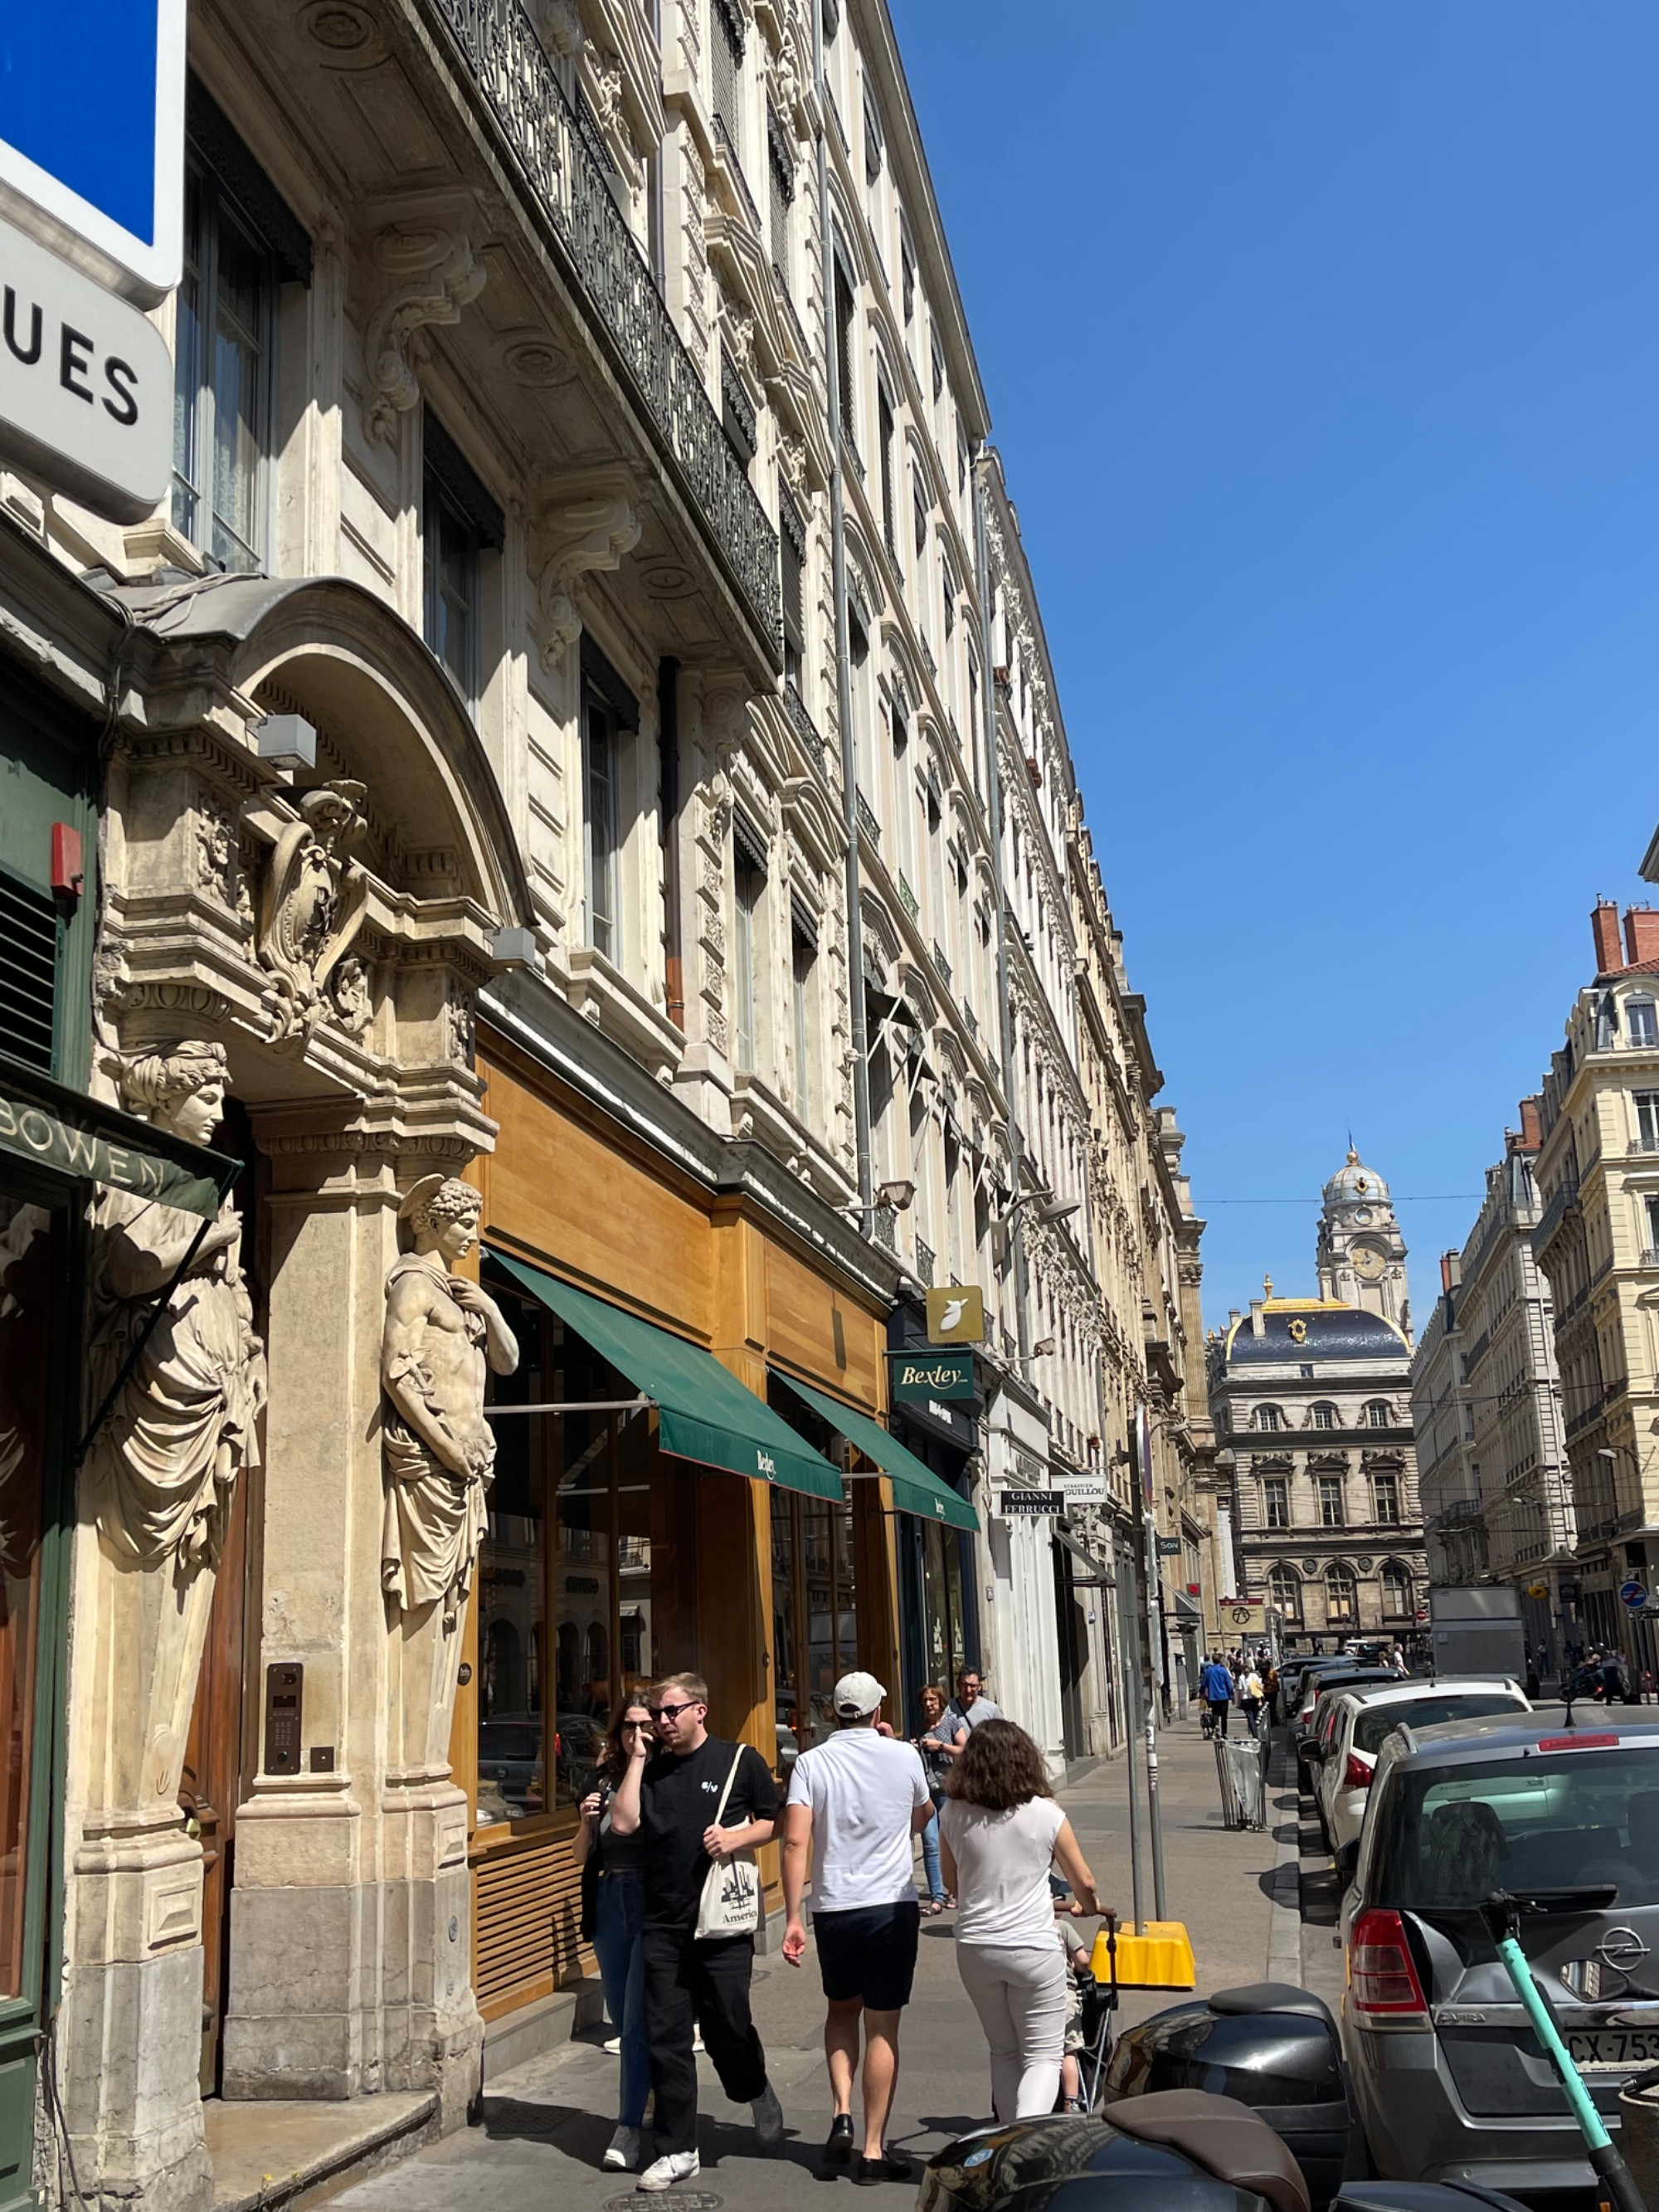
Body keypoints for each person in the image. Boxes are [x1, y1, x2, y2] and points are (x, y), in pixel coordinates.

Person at [609, 1670, 784, 2193]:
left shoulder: (738, 1760)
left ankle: (755, 2089)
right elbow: (622, 1824)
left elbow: (774, 1820)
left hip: (722, 1928)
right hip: (663, 1923)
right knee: (668, 2040)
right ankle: (679, 2148)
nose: (662, 1722)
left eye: (671, 1712)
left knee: (729, 2025)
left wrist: (734, 1836)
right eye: (657, 1715)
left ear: (699, 1711)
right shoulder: (652, 1769)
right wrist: (638, 1759)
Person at [781, 1671, 934, 2185]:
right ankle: (872, 2150)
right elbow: (923, 1816)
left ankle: (841, 2112)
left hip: (834, 1906)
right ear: (875, 1713)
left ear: (833, 1713)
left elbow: (795, 1842)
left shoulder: (811, 1762)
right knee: (883, 2026)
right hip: (890, 1905)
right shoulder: (904, 1756)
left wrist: (793, 1915)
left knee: (840, 2010)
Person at [939, 1718, 1105, 2122]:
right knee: (1044, 2055)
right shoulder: (1046, 1814)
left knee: (1004, 2050)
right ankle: (1025, 2137)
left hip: (976, 1945)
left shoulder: (953, 1813)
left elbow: (950, 1884)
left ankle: (1006, 2136)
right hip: (1033, 1945)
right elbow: (1083, 1880)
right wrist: (1087, 1904)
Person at [575, 1694, 654, 2171]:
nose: (637, 1734)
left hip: (651, 1901)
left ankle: (627, 2125)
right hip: (607, 1899)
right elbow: (580, 1856)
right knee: (624, 2019)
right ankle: (646, 2102)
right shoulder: (601, 1778)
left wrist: (641, 1762)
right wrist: (586, 1823)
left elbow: (628, 1822)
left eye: (646, 1724)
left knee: (640, 2019)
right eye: (629, 1726)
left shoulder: (663, 1777)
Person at [913, 1683, 953, 1910]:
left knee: (949, 1841)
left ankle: (953, 1891)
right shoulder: (919, 1728)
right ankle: (937, 1897)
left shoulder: (951, 1723)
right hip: (926, 1790)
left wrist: (941, 1746)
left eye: (933, 1700)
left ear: (941, 1703)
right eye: (925, 1700)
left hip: (947, 1790)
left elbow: (965, 1750)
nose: (929, 1704)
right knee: (930, 1843)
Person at [937, 1666, 1002, 1761]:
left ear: (979, 1687)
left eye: (972, 1686)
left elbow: (1002, 1739)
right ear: (958, 1684)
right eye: (964, 1685)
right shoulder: (947, 1708)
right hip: (959, 1767)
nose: (968, 1690)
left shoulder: (992, 1709)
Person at [1199, 1653, 1233, 1739]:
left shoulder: (1208, 1671)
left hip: (1213, 1696)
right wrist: (1231, 1694)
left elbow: (1204, 1684)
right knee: (1224, 1716)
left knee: (1215, 1714)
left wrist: (1202, 1693)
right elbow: (1229, 1684)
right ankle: (1224, 1733)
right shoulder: (1224, 1670)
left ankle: (1215, 1727)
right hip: (1224, 1696)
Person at [1239, 1664, 1264, 1740]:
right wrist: (1260, 1699)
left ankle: (1255, 1735)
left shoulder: (1241, 1677)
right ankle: (1256, 1732)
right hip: (1255, 1698)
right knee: (1255, 1716)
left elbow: (1240, 1690)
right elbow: (1259, 1687)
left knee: (1250, 1717)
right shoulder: (1254, 1676)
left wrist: (1239, 1701)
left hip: (1245, 1699)